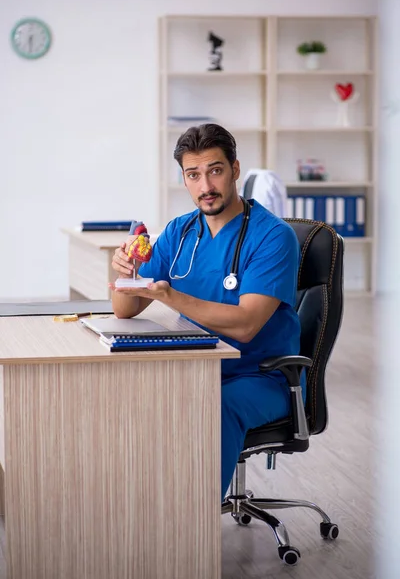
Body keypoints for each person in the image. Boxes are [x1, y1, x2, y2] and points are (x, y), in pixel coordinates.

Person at [109, 123, 304, 500]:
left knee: (214, 407)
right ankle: (139, 511)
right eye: (193, 175)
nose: (206, 186)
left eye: (215, 170)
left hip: (260, 377)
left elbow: (247, 325)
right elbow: (125, 309)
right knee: (132, 397)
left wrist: (169, 296)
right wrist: (124, 271)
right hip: (197, 367)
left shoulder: (272, 237)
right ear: (183, 179)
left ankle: (192, 526)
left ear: (235, 169)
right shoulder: (178, 233)